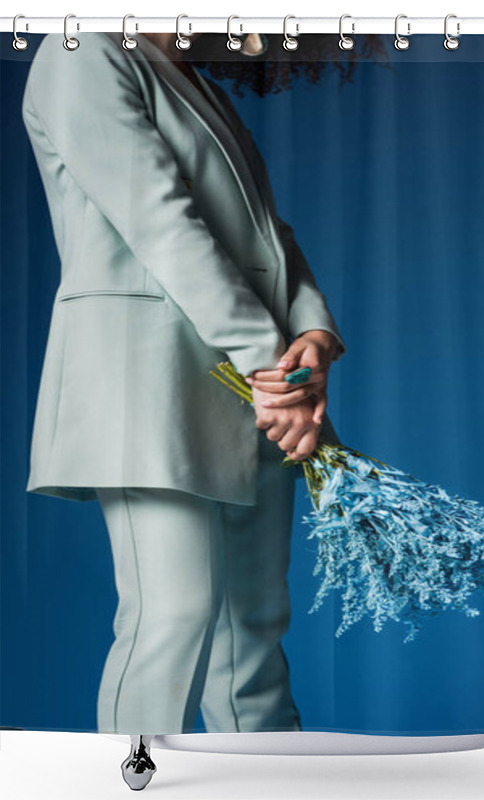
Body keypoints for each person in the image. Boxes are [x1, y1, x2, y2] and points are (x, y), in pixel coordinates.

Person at [22, 30, 346, 734]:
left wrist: (313, 336)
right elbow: (162, 225)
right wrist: (275, 366)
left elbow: (265, 234)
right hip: (149, 387)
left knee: (254, 639)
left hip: (252, 387)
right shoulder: (83, 51)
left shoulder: (189, 78)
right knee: (173, 621)